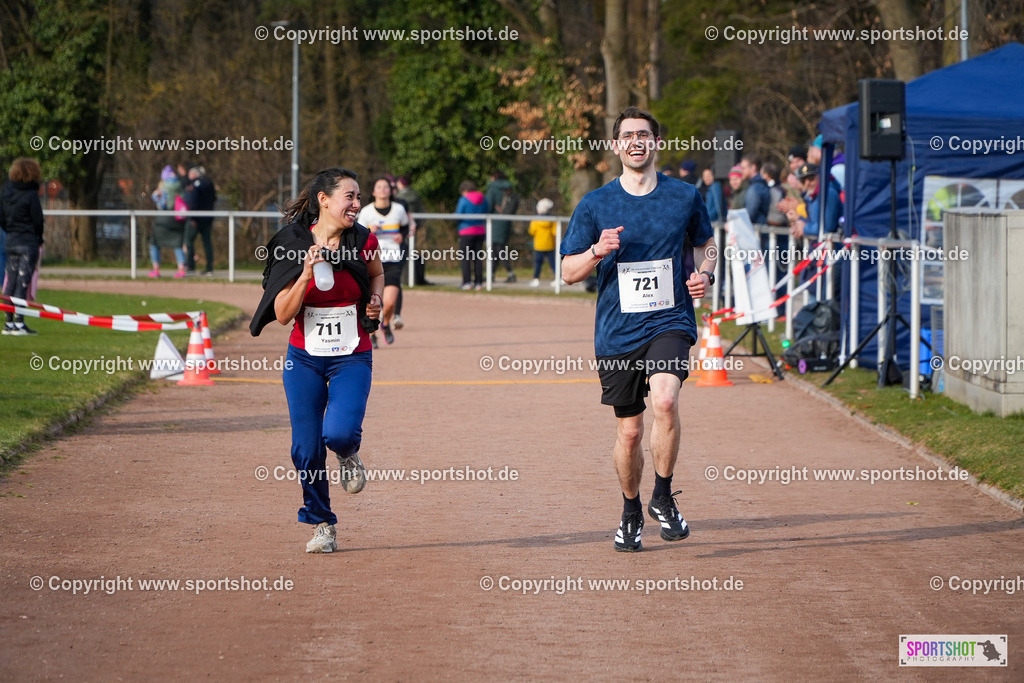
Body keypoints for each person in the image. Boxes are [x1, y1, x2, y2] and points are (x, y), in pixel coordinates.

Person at [560, 106, 717, 553]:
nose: (636, 142)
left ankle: (663, 497)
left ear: (655, 143)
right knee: (629, 432)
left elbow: (707, 245)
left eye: (644, 135)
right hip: (616, 332)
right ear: (616, 146)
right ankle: (631, 511)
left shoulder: (684, 196)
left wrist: (706, 273)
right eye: (627, 135)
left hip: (669, 320)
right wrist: (596, 250)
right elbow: (569, 273)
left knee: (665, 401)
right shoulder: (595, 204)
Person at [249, 167, 384, 554]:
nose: (357, 204)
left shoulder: (362, 240)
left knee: (338, 433)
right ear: (323, 200)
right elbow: (284, 313)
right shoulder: (290, 244)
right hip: (304, 359)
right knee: (305, 450)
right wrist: (306, 273)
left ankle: (347, 453)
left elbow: (377, 274)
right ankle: (323, 523)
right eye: (350, 197)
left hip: (351, 357)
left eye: (359, 197)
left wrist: (375, 302)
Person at [357, 177, 409, 347]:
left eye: (386, 186)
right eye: (379, 187)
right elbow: (358, 234)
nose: (383, 189)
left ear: (390, 190)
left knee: (390, 302)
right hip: (372, 259)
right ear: (373, 192)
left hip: (393, 259)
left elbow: (405, 227)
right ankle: (372, 334)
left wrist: (402, 234)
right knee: (373, 302)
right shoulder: (366, 212)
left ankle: (385, 324)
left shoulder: (399, 209)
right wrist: (370, 230)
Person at [1, 158, 45, 335]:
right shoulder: (31, 194)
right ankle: (20, 323)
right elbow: (38, 220)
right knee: (23, 283)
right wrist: (39, 238)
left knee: (10, 282)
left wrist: (10, 231)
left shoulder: (5, 192)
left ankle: (9, 323)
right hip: (27, 243)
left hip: (10, 241)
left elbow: (1, 217)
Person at [149, 165, 187, 278]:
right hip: (178, 219)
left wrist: (156, 195)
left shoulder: (163, 187)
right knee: (178, 244)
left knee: (154, 243)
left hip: (164, 219)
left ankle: (155, 270)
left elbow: (160, 203)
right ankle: (181, 270)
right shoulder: (180, 185)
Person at [396, 175, 431, 286]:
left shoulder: (399, 197)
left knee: (404, 253)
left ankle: (406, 279)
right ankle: (412, 279)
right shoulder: (415, 194)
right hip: (413, 227)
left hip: (403, 228)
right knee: (410, 252)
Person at [485, 171, 519, 283]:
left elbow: (488, 206)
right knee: (497, 249)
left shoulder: (493, 189)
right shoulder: (508, 188)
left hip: (495, 223)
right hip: (505, 222)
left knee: (497, 249)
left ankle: (510, 273)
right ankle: (492, 274)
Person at [184, 165, 217, 276]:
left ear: (194, 174)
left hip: (196, 219)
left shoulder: (194, 185)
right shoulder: (209, 183)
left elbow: (194, 201)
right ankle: (209, 268)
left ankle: (190, 266)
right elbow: (214, 199)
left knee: (188, 241)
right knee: (207, 243)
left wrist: (193, 217)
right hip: (208, 218)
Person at [455, 180, 488, 290]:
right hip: (480, 231)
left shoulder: (463, 200)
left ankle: (467, 282)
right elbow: (487, 211)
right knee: (478, 258)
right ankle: (479, 282)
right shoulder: (484, 199)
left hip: (466, 231)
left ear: (464, 191)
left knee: (465, 258)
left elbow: (458, 214)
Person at [528, 198, 557, 287]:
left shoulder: (535, 220)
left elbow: (531, 231)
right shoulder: (552, 220)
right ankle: (558, 277)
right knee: (553, 263)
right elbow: (555, 232)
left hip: (538, 245)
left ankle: (536, 279)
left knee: (538, 263)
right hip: (550, 245)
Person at [739, 154, 770, 226]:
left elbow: (749, 215)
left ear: (753, 167)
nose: (741, 171)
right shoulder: (760, 185)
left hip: (758, 232)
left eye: (743, 168)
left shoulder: (756, 188)